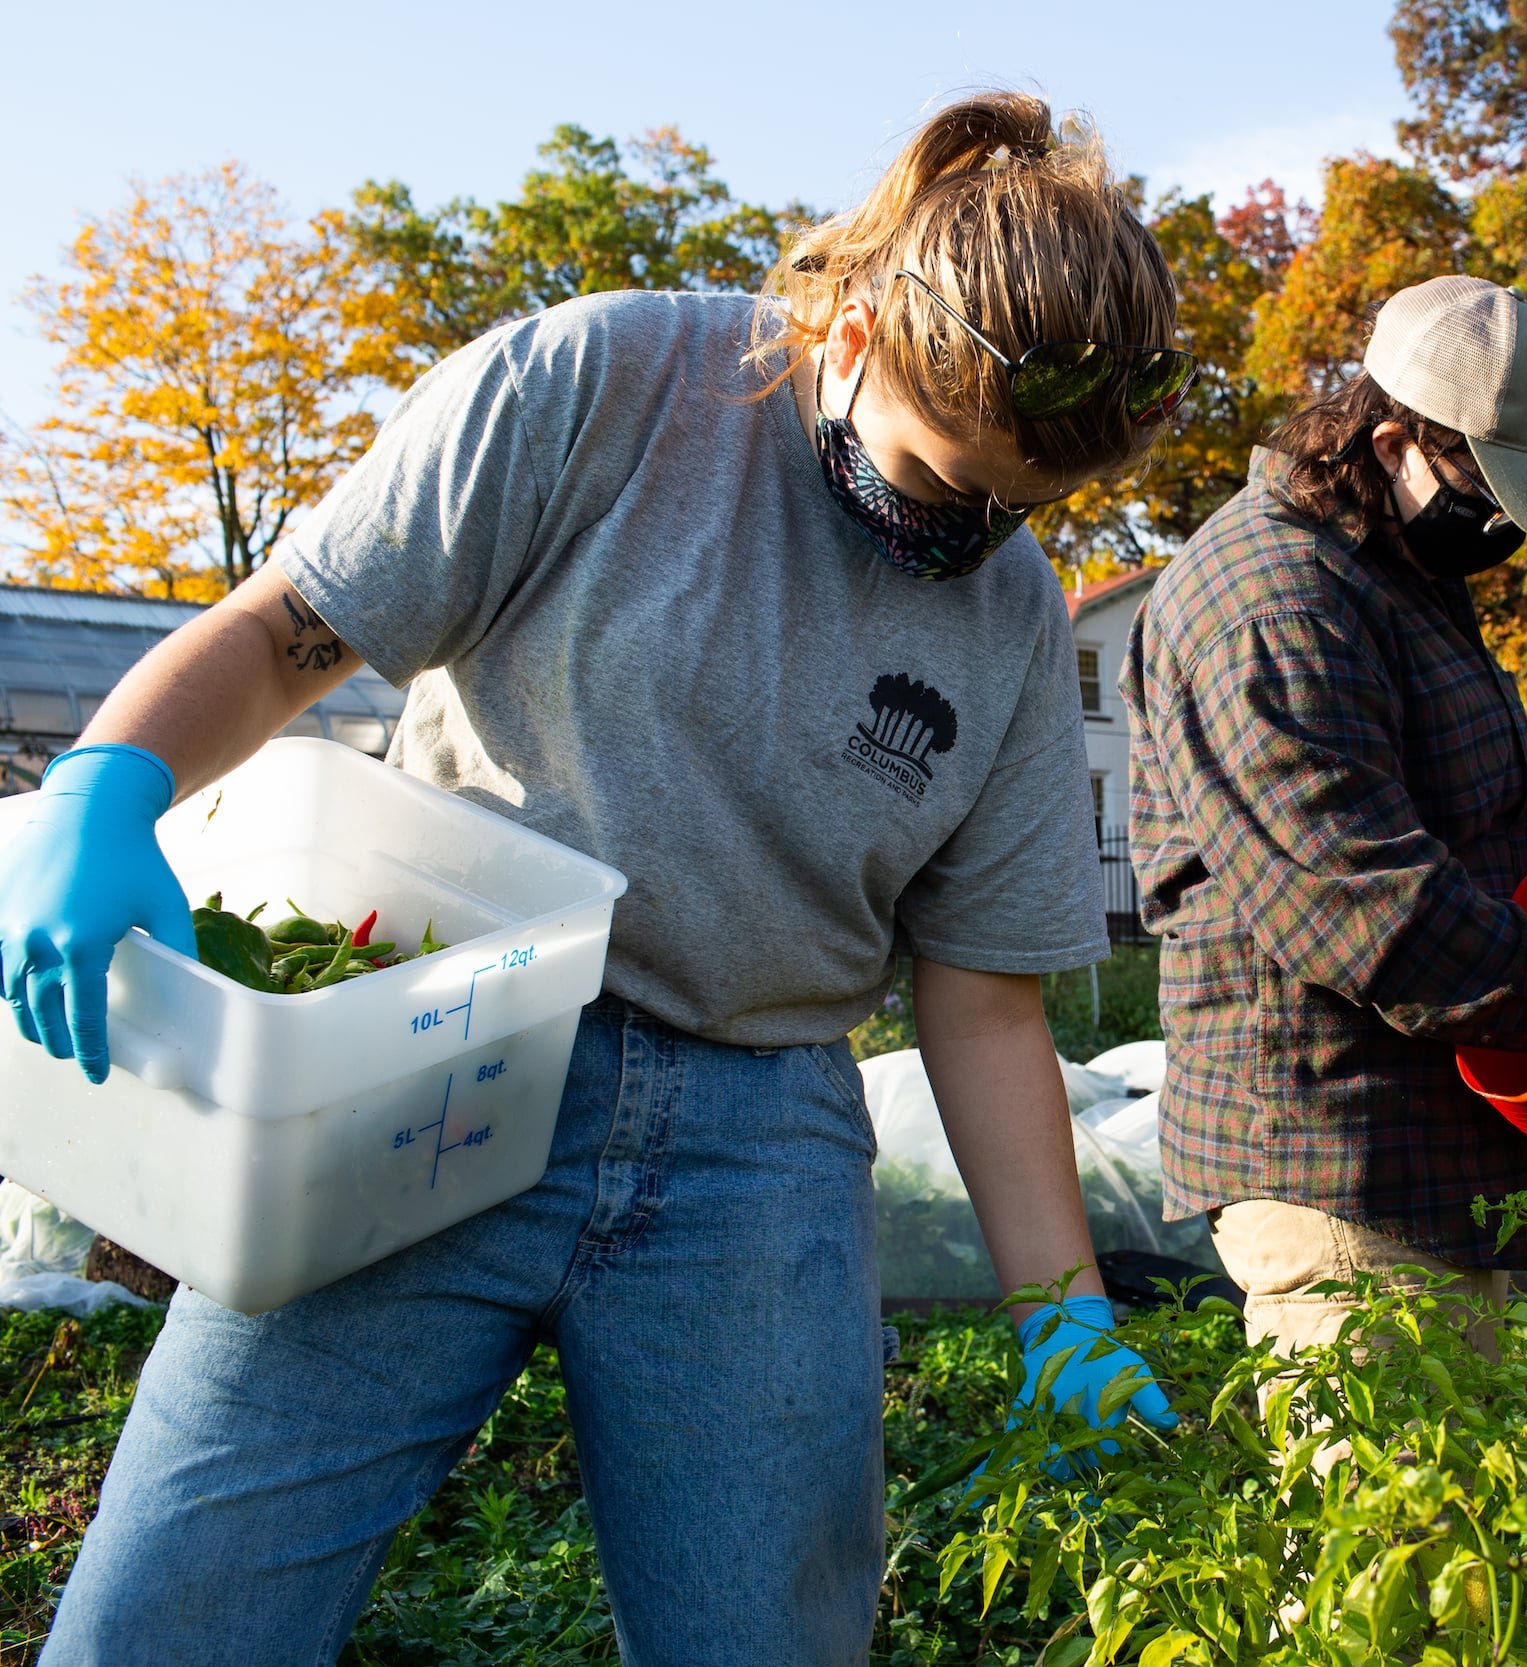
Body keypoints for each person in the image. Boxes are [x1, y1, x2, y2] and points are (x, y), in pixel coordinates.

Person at [2, 93, 1189, 1666]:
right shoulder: (606, 384)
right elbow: (294, 628)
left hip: (754, 1147)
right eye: (942, 478)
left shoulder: (1018, 617)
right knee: (178, 1610)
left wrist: (1062, 1302)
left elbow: (979, 1002)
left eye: (1014, 509)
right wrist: (110, 784)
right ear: (845, 334)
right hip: (435, 1057)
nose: (966, 538)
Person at [1123, 275, 1527, 1359]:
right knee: (1389, 1521)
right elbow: (1368, 909)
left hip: (1435, 1163)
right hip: (1340, 1169)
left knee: (1467, 1520)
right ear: (1391, 436)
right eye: (1487, 492)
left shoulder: (1392, 571)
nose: (1501, 528)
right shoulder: (1273, 598)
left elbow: (1425, 820)